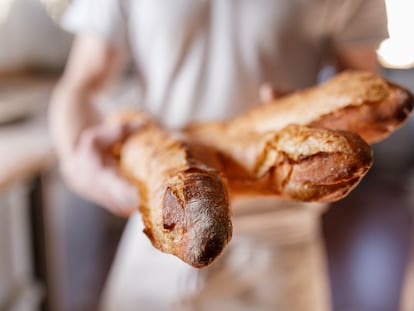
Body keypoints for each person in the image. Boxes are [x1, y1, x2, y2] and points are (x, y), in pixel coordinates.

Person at [49, 1, 388, 310]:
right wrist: (75, 160)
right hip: (165, 223)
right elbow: (82, 83)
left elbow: (364, 91)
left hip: (279, 242)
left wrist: (312, 110)